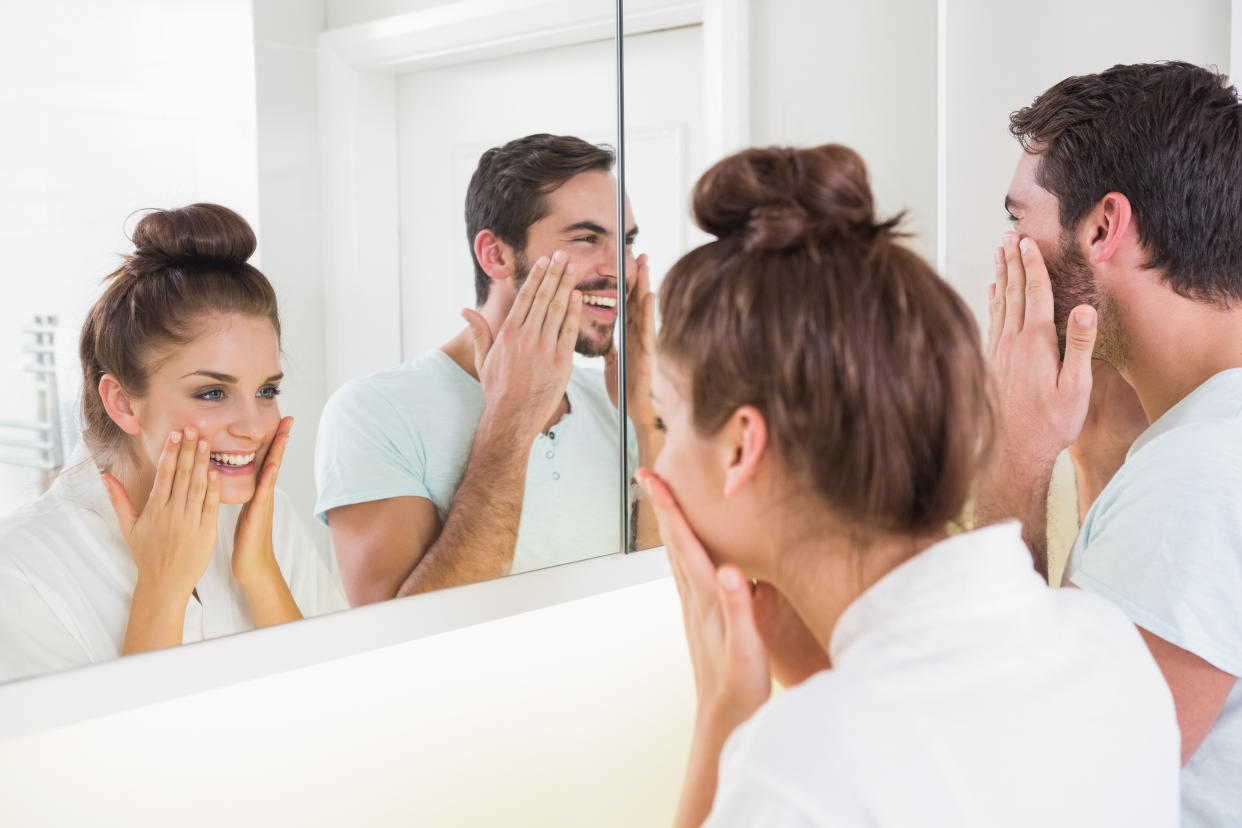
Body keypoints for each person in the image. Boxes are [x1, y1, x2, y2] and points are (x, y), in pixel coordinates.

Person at [637, 144, 1178, 826]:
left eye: (664, 418)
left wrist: (725, 714)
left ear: (744, 445)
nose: (653, 469)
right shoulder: (1106, 647)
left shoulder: (800, 766)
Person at [977, 61, 1242, 826]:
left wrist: (1013, 461)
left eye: (1018, 219)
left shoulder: (1195, 475)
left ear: (1101, 227)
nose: (1006, 250)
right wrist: (1099, 458)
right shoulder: (1198, 448)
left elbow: (1045, 791)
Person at [0, 204, 347, 683]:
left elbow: (338, 710)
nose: (253, 426)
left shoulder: (268, 520)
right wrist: (162, 593)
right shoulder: (20, 568)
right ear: (122, 402)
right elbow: (110, 758)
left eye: (266, 390)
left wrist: (262, 575)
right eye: (212, 392)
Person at [315, 133, 660, 606]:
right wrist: (511, 421)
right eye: (587, 238)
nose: (619, 269)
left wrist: (649, 422)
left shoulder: (614, 400)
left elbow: (662, 591)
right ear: (495, 255)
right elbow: (400, 642)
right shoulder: (374, 412)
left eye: (625, 242)